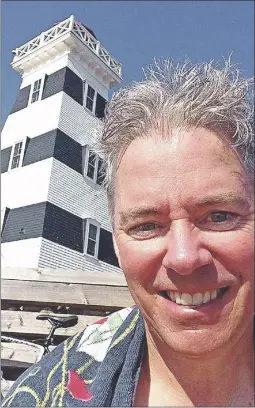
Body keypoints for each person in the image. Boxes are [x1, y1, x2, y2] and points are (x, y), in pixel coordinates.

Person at [3, 58, 254, 407]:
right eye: (147, 225)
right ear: (117, 246)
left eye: (219, 216)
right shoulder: (45, 393)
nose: (184, 258)